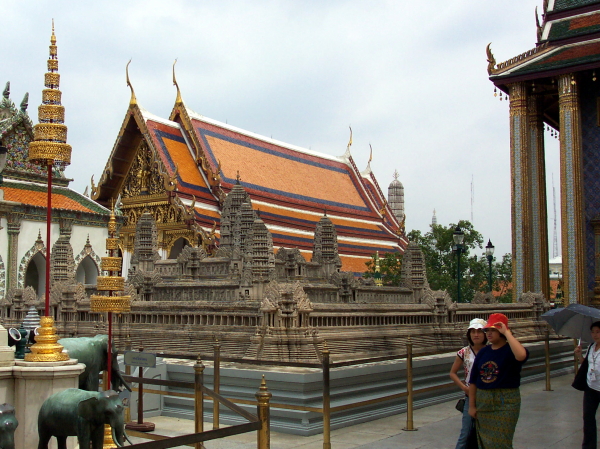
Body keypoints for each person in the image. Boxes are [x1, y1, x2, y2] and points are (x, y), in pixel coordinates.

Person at [468, 313, 528, 448]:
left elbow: (521, 356)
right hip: (483, 400)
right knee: (485, 441)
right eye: (487, 330)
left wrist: (507, 333)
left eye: (493, 330)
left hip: (505, 401)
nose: (489, 333)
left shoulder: (510, 349)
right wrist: (472, 405)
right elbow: (474, 380)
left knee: (501, 442)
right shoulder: (484, 352)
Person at [449, 318, 488, 449]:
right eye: (473, 331)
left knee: (486, 433)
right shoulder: (463, 352)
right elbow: (452, 373)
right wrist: (464, 388)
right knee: (465, 432)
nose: (476, 334)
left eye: (479, 331)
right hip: (470, 395)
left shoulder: (491, 351)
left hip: (487, 395)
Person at [574, 321, 600, 449]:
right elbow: (587, 365)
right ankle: (589, 446)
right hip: (590, 387)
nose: (595, 335)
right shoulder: (591, 347)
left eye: (598, 332)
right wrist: (580, 356)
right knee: (588, 417)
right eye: (593, 332)